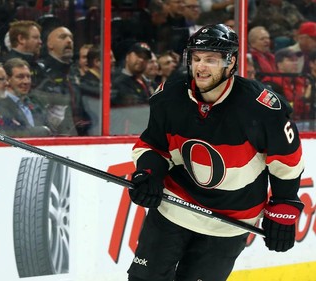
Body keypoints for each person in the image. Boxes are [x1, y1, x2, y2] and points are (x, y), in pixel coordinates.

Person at [127, 24, 304, 281]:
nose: (200, 67)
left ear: (231, 63)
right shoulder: (170, 96)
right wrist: (148, 173)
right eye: (196, 59)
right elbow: (154, 145)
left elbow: (287, 161)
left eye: (211, 60)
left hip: (229, 221)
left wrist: (284, 207)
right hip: (174, 206)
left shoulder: (262, 108)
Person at [34, 24, 91, 136]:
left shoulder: (75, 71)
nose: (69, 41)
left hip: (78, 134)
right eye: (63, 37)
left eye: (71, 38)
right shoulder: (40, 70)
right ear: (50, 44)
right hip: (51, 135)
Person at [0, 58, 51, 137]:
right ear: (7, 79)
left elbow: (50, 130)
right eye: (20, 77)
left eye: (28, 77)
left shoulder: (36, 103)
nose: (26, 82)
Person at [262, 47, 308, 120]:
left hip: (302, 122)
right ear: (279, 64)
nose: (295, 63)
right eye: (291, 60)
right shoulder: (271, 82)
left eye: (296, 60)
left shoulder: (302, 81)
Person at [0, 20, 44, 88]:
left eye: (39, 38)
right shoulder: (3, 66)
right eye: (35, 37)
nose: (40, 42)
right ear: (21, 39)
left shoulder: (38, 66)